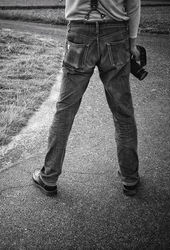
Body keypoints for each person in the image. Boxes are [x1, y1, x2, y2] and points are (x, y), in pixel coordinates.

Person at [32, 0, 141, 196]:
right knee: (123, 112)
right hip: (116, 32)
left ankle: (49, 177)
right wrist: (132, 43)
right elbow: (133, 3)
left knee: (65, 110)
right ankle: (130, 178)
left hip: (80, 30)